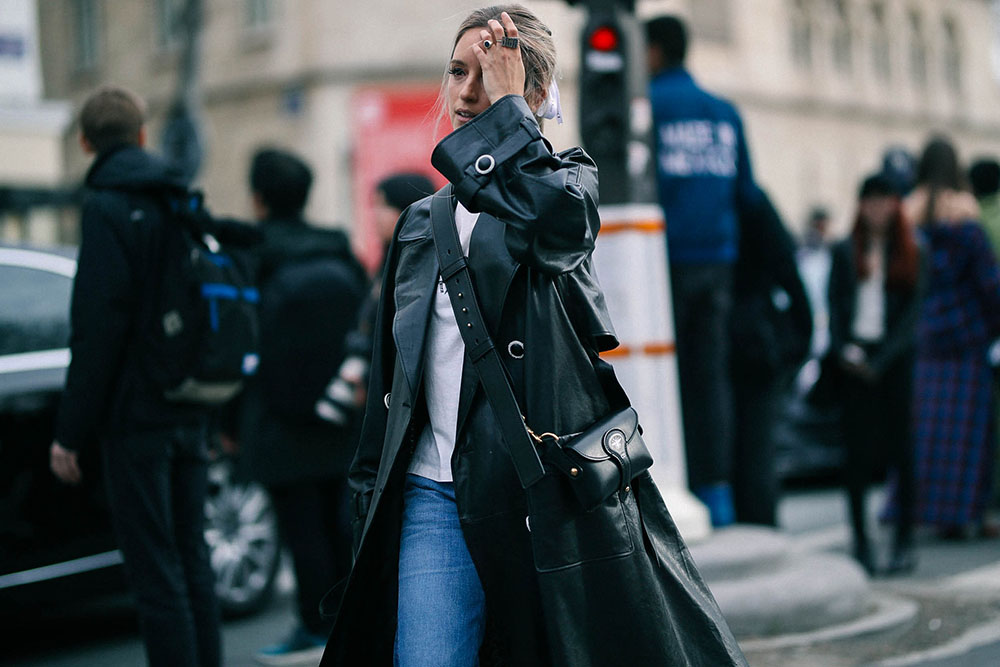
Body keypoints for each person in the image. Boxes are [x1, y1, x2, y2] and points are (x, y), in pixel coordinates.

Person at [320, 6, 747, 666]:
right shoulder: (416, 225)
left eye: (488, 77)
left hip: (541, 494)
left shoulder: (567, 184)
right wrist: (366, 497)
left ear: (535, 94)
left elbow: (557, 223)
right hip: (431, 494)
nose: (467, 93)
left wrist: (511, 110)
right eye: (459, 71)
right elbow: (392, 387)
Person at [49, 86, 221, 667]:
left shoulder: (104, 206)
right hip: (189, 403)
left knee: (155, 569)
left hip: (137, 417)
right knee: (193, 560)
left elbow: (98, 326)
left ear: (85, 142)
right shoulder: (178, 196)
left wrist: (70, 431)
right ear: (143, 135)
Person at [231, 148, 367, 664]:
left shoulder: (254, 257)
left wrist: (230, 424)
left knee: (300, 527)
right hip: (340, 412)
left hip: (278, 419)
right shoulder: (338, 253)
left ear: (259, 198)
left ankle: (314, 624)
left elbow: (239, 344)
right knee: (339, 524)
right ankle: (346, 617)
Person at [645, 15, 760, 525]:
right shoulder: (724, 113)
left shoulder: (647, 107)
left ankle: (668, 483)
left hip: (661, 262)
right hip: (718, 263)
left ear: (652, 51)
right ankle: (717, 494)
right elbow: (747, 194)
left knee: (656, 376)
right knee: (710, 378)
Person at [886, 137, 1000, 539]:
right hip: (966, 338)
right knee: (966, 435)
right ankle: (958, 513)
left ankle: (912, 507)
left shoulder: (906, 216)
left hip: (923, 337)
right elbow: (989, 283)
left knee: (921, 430)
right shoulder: (967, 220)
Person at [827, 174, 923, 574]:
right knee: (856, 456)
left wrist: (880, 362)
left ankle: (904, 540)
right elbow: (834, 308)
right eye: (871, 201)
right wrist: (843, 352)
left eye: (885, 201)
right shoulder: (844, 250)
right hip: (854, 358)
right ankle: (861, 541)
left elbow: (913, 317)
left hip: (894, 361)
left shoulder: (914, 252)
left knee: (902, 451)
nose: (878, 209)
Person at [315, 172, 435, 428]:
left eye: (383, 205)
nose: (375, 216)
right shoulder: (386, 264)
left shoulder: (419, 268)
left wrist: (369, 377)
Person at [730, 187, 812, 526]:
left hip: (738, 344)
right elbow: (789, 273)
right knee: (756, 451)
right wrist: (795, 345)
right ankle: (761, 527)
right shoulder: (753, 202)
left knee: (743, 453)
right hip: (757, 344)